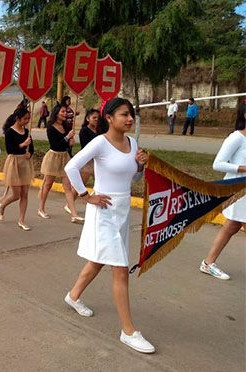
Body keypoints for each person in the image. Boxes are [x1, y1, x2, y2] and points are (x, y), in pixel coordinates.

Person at [63, 97, 154, 354]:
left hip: (123, 211)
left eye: (131, 114)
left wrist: (140, 165)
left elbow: (133, 177)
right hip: (103, 211)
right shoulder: (99, 143)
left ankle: (73, 295)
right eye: (124, 114)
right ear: (109, 118)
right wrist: (86, 195)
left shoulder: (132, 142)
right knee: (121, 269)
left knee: (98, 260)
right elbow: (71, 166)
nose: (129, 119)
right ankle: (129, 331)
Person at [199, 108, 245, 280]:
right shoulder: (236, 137)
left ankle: (208, 263)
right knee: (233, 225)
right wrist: (243, 168)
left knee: (232, 226)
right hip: (238, 190)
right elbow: (217, 164)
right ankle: (208, 263)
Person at [38, 105, 84, 223]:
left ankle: (74, 214)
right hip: (53, 157)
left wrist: (70, 142)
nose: (65, 114)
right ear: (56, 113)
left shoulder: (65, 126)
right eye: (63, 111)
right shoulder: (50, 127)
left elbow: (65, 144)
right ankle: (41, 208)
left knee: (68, 186)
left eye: (66, 111)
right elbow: (55, 144)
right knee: (47, 184)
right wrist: (67, 137)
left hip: (65, 157)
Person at [0, 107, 34, 230]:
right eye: (25, 119)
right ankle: (2, 205)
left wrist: (30, 153)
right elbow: (10, 149)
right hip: (14, 163)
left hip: (25, 163)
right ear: (18, 119)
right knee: (16, 194)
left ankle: (22, 220)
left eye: (28, 119)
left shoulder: (27, 132)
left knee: (25, 194)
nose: (27, 121)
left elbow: (31, 148)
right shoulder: (10, 132)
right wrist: (23, 145)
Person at [78, 108, 99, 184]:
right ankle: (72, 196)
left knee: (102, 183)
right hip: (87, 161)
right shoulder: (84, 131)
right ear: (87, 118)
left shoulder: (99, 131)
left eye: (98, 118)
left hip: (97, 160)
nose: (96, 119)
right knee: (80, 185)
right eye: (94, 118)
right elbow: (85, 147)